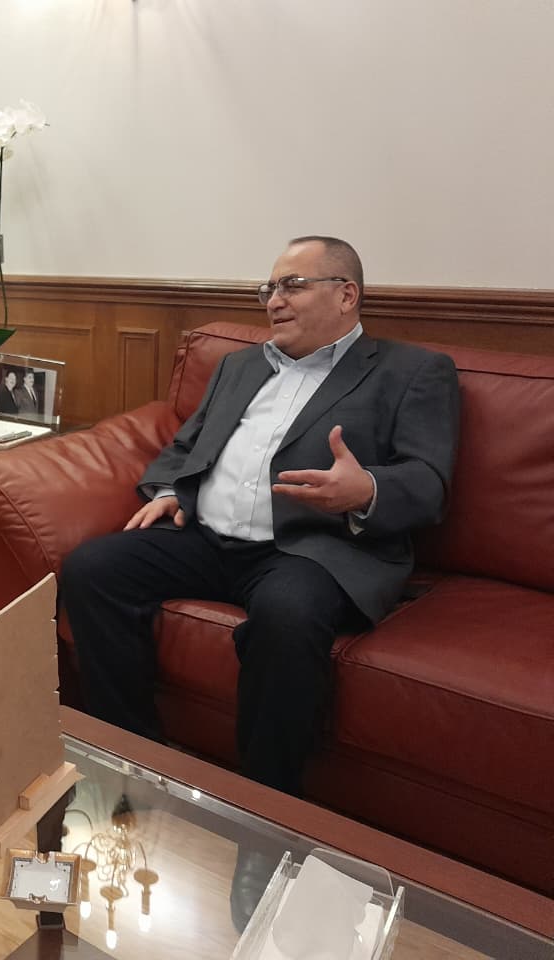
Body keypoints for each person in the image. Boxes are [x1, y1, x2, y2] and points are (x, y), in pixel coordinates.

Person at [59, 237, 459, 925]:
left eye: (292, 285)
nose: (273, 300)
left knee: (287, 616)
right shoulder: (240, 364)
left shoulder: (412, 371)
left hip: (311, 550)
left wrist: (365, 488)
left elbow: (428, 482)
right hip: (207, 537)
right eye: (268, 288)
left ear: (346, 294)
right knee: (92, 569)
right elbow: (188, 445)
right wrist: (171, 490)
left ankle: (265, 825)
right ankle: (136, 764)